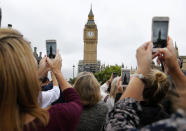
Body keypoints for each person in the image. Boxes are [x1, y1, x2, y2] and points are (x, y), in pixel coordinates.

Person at [0, 28, 82, 131]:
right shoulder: (53, 119)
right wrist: (57, 71)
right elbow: (76, 102)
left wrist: (39, 74)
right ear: (26, 69)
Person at [105, 37, 186, 130]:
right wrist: (175, 69)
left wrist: (141, 70)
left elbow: (116, 124)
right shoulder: (172, 120)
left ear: (142, 89)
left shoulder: (134, 114)